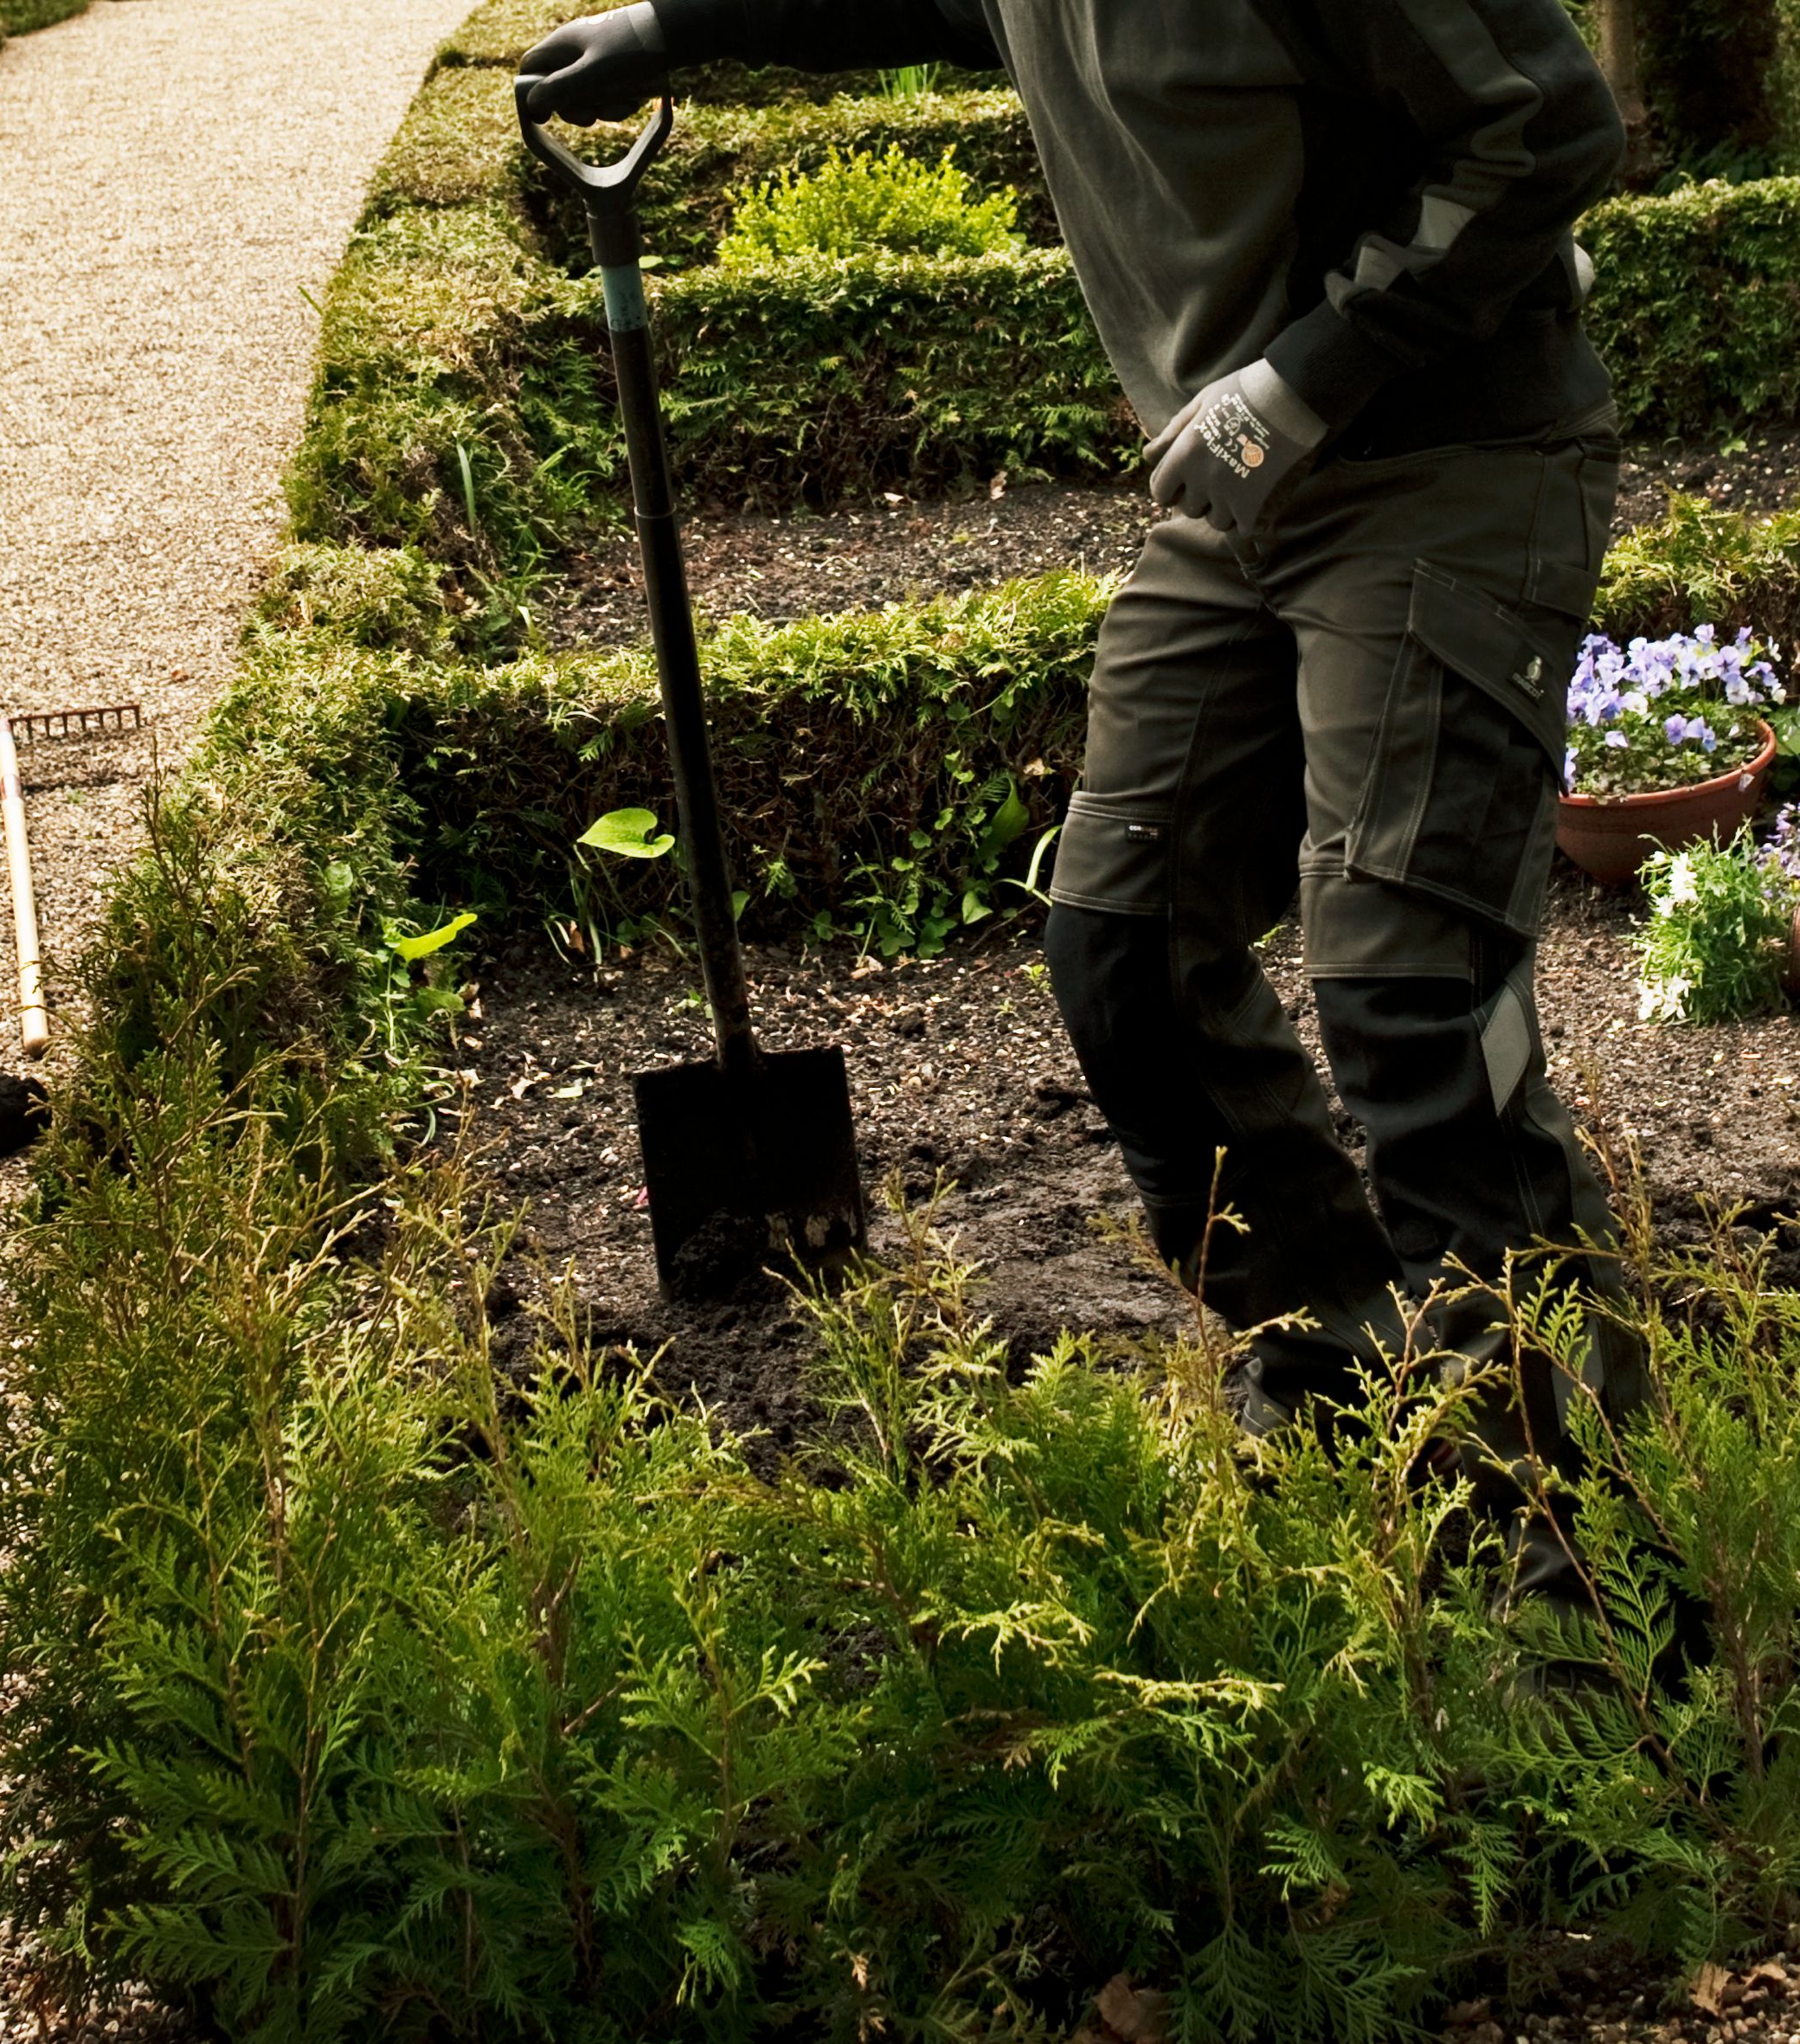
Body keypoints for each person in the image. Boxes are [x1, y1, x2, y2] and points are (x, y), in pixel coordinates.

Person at [519, 0, 1650, 1600]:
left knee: (1413, 986)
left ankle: (1590, 1572)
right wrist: (671, 25)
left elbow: (1550, 122)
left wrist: (1303, 378)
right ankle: (1348, 1377)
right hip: (1242, 495)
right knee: (1127, 950)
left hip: (1448, 454)